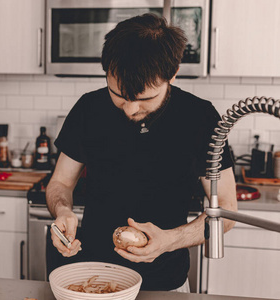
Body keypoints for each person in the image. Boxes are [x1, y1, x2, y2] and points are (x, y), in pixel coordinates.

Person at [46, 14, 237, 292]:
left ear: (172, 73)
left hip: (165, 284)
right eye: (119, 95)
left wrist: (169, 240)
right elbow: (61, 183)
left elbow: (227, 211)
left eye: (144, 98)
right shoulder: (89, 109)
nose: (130, 109)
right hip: (93, 277)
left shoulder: (201, 118)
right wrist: (63, 211)